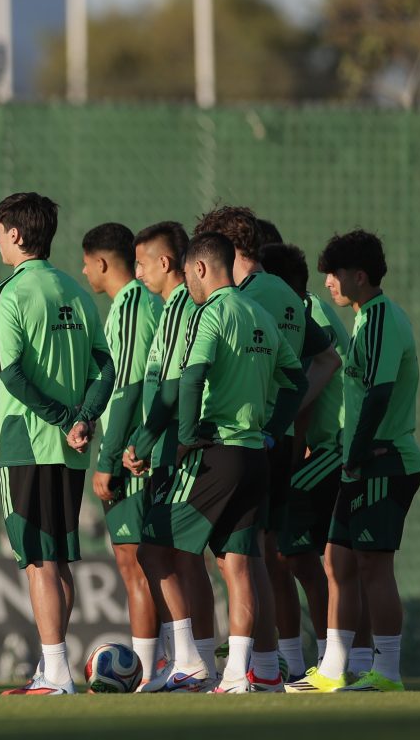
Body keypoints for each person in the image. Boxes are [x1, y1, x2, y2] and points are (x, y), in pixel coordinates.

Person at [129, 231, 307, 694]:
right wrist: (272, 428)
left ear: (202, 269)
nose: (187, 282)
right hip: (254, 455)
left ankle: (191, 662)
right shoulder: (260, 316)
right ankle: (248, 674)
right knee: (240, 564)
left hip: (215, 454)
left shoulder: (210, 314)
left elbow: (190, 381)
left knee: (156, 546)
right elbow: (296, 379)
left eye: (188, 273)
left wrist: (186, 437)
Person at [193, 206, 339, 689]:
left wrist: (276, 420)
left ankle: (259, 663)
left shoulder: (242, 300)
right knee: (268, 555)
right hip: (272, 438)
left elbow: (315, 364)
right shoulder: (283, 292)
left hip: (246, 438)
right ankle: (281, 663)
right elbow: (324, 358)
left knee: (246, 555)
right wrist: (286, 420)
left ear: (225, 252)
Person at [0, 192, 115, 696]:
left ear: (16, 234)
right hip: (71, 448)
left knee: (39, 561)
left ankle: (57, 673)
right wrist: (83, 419)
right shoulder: (74, 290)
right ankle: (53, 667)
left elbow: (10, 373)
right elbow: (104, 367)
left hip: (28, 442)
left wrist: (65, 418)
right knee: (57, 558)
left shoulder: (9, 292)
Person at [289, 230, 420, 693]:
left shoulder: (383, 318)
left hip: (385, 461)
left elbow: (380, 394)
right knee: (337, 562)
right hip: (359, 462)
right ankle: (332, 671)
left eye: (335, 273)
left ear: (359, 276)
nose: (328, 282)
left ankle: (387, 674)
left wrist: (360, 452)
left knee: (373, 566)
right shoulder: (366, 319)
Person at [259, 242, 368, 681]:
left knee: (307, 557)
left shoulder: (305, 312)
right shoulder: (305, 309)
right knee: (296, 557)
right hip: (319, 447)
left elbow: (304, 392)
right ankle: (307, 659)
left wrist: (291, 450)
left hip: (330, 447)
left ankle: (333, 659)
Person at [123, 222, 218, 683]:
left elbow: (178, 385)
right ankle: (199, 660)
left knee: (158, 552)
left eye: (140, 263)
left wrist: (147, 441)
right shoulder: (170, 308)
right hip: (170, 446)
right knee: (179, 555)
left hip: (178, 449)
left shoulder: (183, 306)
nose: (136, 273)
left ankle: (190, 659)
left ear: (165, 264)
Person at [81, 223, 162, 685]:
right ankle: (166, 664)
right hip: (136, 448)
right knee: (146, 564)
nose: (84, 271)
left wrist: (109, 458)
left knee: (138, 566)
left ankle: (150, 672)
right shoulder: (134, 305)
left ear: (103, 263)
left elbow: (129, 383)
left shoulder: (131, 303)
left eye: (87, 262)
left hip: (131, 457)